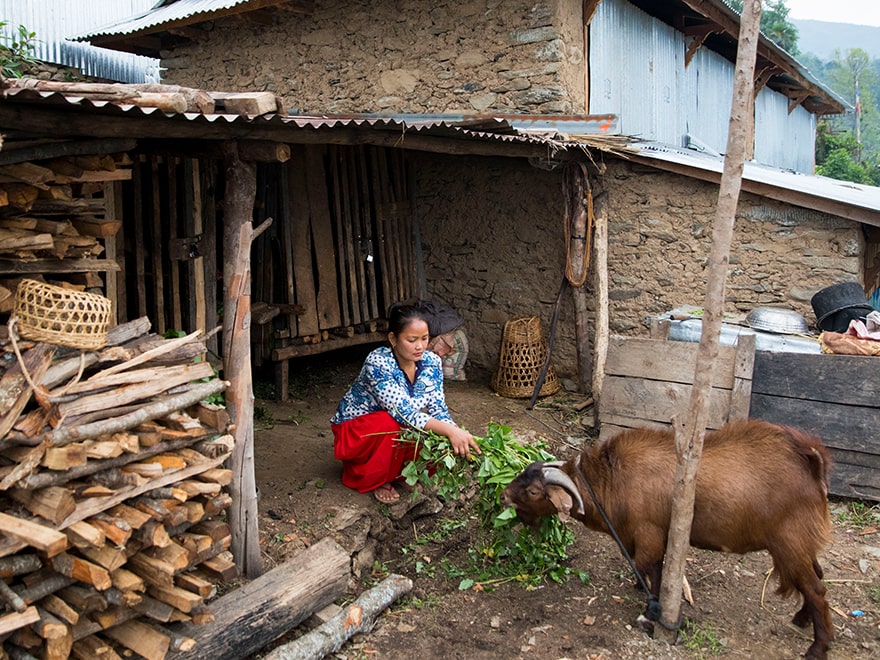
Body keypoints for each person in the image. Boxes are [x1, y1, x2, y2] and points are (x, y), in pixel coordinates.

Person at [331, 302, 481, 503]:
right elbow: (404, 413)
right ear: (393, 338)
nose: (420, 346)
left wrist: (456, 432)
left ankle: (401, 473)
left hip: (399, 426)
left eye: (425, 339)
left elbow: (437, 408)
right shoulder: (378, 363)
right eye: (412, 340)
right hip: (357, 432)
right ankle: (376, 477)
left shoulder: (432, 362)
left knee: (435, 436)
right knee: (393, 424)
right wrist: (450, 431)